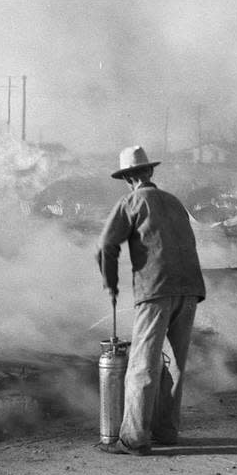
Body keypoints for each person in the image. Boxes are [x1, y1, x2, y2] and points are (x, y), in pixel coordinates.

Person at [95, 146, 206, 455]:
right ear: (150, 173)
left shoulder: (131, 202)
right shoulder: (173, 201)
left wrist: (111, 284)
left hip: (156, 290)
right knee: (173, 364)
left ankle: (133, 438)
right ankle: (166, 431)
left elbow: (106, 245)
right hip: (190, 289)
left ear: (128, 178)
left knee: (142, 366)